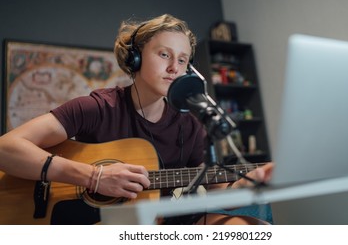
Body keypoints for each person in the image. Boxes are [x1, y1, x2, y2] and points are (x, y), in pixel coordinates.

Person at [0, 14, 273, 225]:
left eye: (182, 60)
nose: (173, 68)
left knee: (255, 230)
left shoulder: (190, 125)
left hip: (163, 224)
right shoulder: (97, 107)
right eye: (164, 54)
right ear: (136, 58)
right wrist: (93, 176)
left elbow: (218, 190)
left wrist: (249, 181)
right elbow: (6, 147)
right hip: (101, 225)